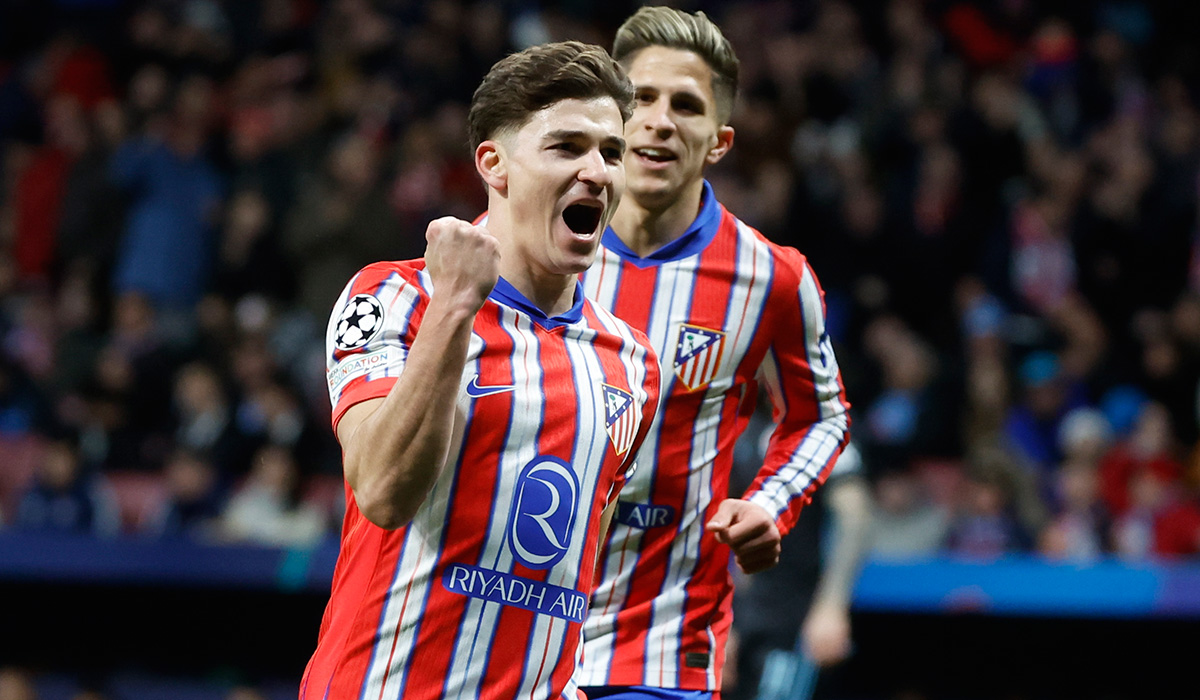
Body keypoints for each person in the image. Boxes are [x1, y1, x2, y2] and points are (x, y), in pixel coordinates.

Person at [298, 41, 661, 700]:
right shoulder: (397, 298)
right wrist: (456, 306)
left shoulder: (632, 363)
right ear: (494, 164)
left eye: (611, 153)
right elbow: (382, 491)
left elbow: (581, 568)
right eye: (567, 147)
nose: (597, 172)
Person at [578, 7, 851, 698]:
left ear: (719, 141)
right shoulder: (526, 247)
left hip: (660, 644)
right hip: (513, 626)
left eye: (686, 105)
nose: (660, 120)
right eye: (642, 98)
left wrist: (770, 503)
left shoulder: (770, 278)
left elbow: (821, 417)